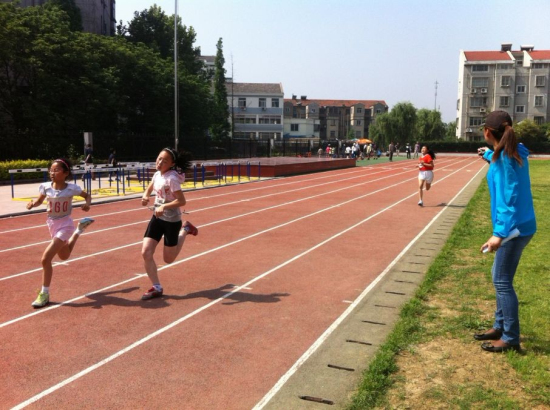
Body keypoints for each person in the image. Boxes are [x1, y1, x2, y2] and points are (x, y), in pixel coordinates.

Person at [473, 110, 536, 353]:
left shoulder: (505, 160)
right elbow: (505, 161)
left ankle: (510, 336)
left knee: (501, 281)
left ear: (487, 132)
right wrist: (490, 155)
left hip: (513, 229)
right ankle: (500, 326)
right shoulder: (514, 152)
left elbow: (508, 199)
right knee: (500, 277)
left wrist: (499, 234)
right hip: (522, 225)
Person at [26, 158, 94, 308]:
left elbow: (87, 196)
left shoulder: (72, 188)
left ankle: (44, 294)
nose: (52, 172)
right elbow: (39, 201)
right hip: (52, 224)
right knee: (64, 256)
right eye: (51, 170)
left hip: (65, 225)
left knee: (45, 259)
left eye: (56, 170)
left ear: (65, 173)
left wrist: (87, 204)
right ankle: (79, 230)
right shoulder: (45, 187)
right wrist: (32, 204)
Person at [140, 148, 198, 300]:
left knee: (168, 259)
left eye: (165, 161)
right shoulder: (157, 174)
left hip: (172, 221)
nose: (160, 162)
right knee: (146, 252)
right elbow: (150, 187)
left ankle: (185, 229)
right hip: (157, 218)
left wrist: (164, 206)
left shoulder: (171, 179)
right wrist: (145, 196)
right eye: (159, 158)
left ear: (172, 164)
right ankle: (156, 287)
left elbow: (182, 201)